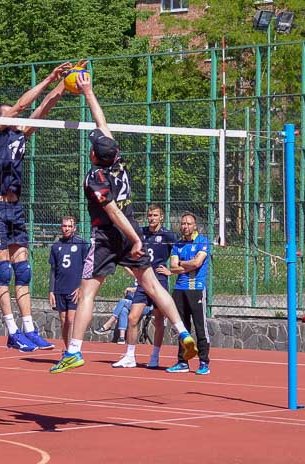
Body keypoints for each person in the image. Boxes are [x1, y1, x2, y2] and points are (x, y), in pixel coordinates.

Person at [49, 65, 197, 374]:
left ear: (94, 156)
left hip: (110, 234)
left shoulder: (96, 176)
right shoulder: (117, 159)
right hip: (129, 229)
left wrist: (134, 240)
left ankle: (74, 350)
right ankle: (183, 333)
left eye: (92, 147)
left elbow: (113, 212)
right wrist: (88, 92)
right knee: (153, 287)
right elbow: (102, 125)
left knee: (88, 290)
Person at [0, 61, 73, 352]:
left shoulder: (20, 134)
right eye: (10, 112)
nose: (15, 114)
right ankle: (11, 330)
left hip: (15, 208)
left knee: (23, 272)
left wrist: (65, 81)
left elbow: (43, 107)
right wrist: (47, 77)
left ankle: (29, 327)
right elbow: (22, 106)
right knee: (4, 273)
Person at [111, 204, 178, 368]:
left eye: (155, 215)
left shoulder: (168, 235)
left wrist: (172, 271)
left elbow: (180, 251)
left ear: (161, 217)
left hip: (159, 282)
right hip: (143, 281)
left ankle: (154, 356)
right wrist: (133, 271)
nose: (152, 218)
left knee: (158, 319)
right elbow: (126, 250)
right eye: (149, 215)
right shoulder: (141, 233)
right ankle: (130, 356)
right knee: (133, 317)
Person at [165, 212, 212, 375]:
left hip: (196, 289)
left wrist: (182, 264)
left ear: (195, 226)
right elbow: (172, 267)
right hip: (179, 290)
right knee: (182, 328)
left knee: (200, 327)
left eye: (189, 224)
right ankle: (182, 361)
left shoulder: (202, 242)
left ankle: (204, 362)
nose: (185, 226)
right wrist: (186, 265)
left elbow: (197, 263)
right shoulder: (177, 245)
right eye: (183, 224)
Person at [48, 216, 90, 350]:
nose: (66, 228)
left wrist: (81, 287)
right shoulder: (56, 246)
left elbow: (87, 268)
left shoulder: (81, 244)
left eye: (69, 226)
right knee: (63, 320)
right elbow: (53, 270)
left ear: (74, 228)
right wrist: (51, 291)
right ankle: (67, 349)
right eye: (64, 226)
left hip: (74, 289)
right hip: (60, 289)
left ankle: (73, 350)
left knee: (71, 320)